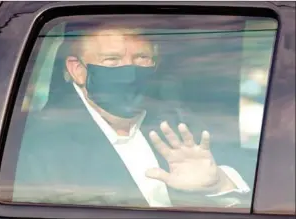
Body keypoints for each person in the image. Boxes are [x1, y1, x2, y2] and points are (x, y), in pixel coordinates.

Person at [13, 26, 252, 208]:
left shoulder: (180, 122)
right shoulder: (38, 145)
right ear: (78, 69)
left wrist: (217, 185)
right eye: (112, 61)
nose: (130, 72)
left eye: (141, 59)